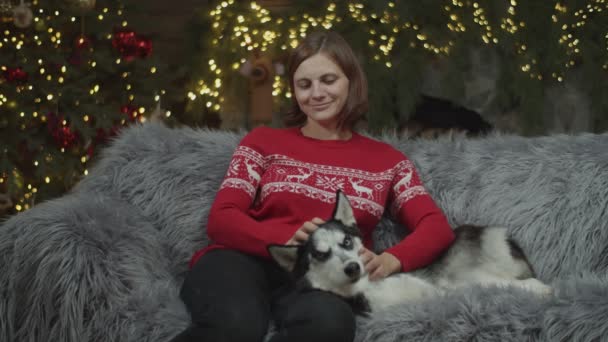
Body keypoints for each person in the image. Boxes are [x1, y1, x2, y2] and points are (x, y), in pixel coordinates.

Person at [171, 30, 455, 342]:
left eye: (328, 80)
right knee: (238, 326)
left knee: (331, 326)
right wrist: (285, 238)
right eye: (304, 85)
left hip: (322, 280)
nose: (316, 93)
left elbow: (435, 226)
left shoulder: (388, 161)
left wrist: (390, 260)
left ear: (351, 81)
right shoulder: (263, 142)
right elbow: (222, 218)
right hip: (240, 262)